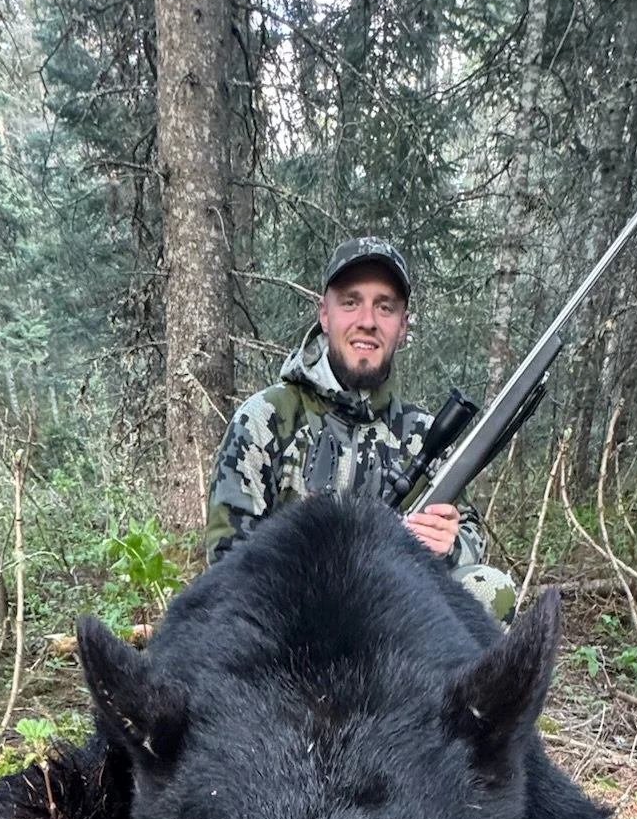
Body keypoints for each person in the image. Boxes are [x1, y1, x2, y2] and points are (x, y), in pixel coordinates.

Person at [204, 237, 516, 619]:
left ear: (402, 326)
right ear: (325, 313)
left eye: (384, 307)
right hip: (287, 622)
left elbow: (470, 533)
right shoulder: (266, 419)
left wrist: (450, 544)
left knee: (488, 590)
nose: (367, 321)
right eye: (351, 302)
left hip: (390, 625)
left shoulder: (422, 435)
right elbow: (226, 565)